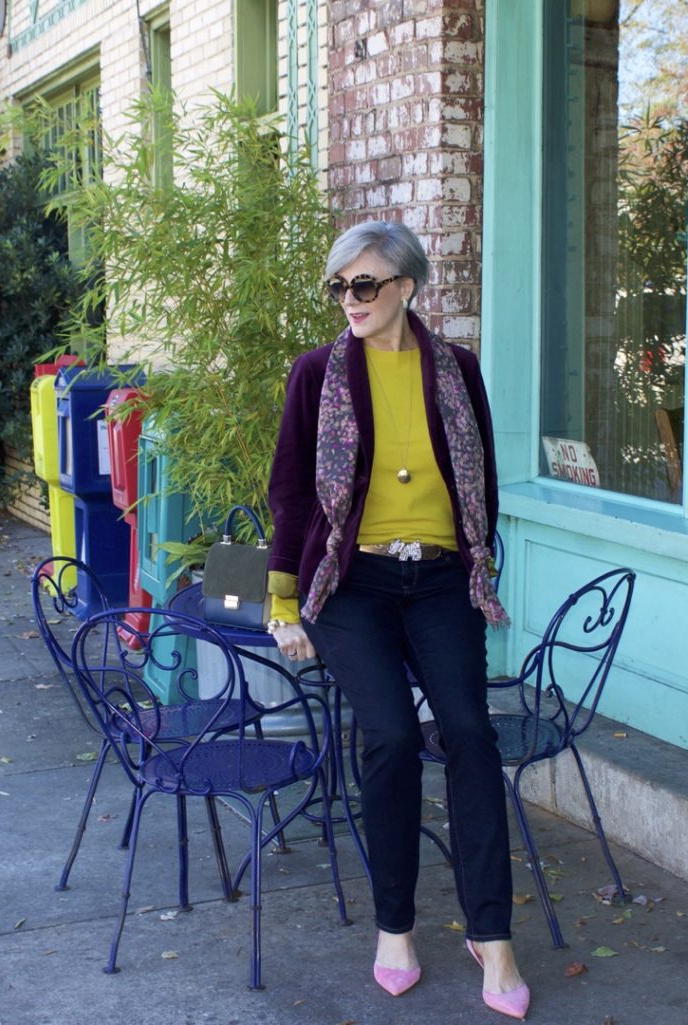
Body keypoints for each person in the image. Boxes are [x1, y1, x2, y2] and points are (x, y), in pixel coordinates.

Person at [265, 220, 529, 1019]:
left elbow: (479, 479)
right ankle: (394, 926)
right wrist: (284, 602)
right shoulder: (317, 373)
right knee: (385, 736)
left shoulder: (458, 370)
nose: (350, 299)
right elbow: (291, 490)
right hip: (353, 585)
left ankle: (492, 935)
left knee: (470, 733)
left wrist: (480, 566)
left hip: (442, 579)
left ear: (407, 286)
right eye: (339, 286)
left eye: (365, 284)